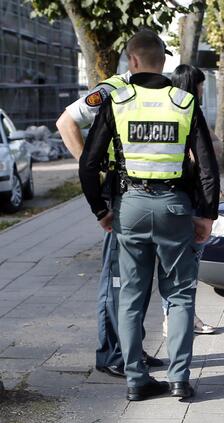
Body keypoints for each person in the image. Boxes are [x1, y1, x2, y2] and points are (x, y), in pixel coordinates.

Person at [78, 29, 220, 401]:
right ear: (163, 61)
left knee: (132, 296)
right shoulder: (184, 102)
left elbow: (89, 163)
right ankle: (179, 380)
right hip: (175, 207)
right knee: (180, 295)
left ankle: (136, 381)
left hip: (131, 206)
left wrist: (100, 209)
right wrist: (206, 215)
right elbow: (207, 166)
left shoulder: (118, 101)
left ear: (133, 60)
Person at [56, 47, 165, 379]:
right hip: (119, 200)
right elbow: (66, 122)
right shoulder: (112, 90)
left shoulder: (155, 92)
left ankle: (131, 348)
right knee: (118, 280)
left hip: (142, 201)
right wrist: (90, 168)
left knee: (139, 281)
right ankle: (111, 353)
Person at [164, 63, 219, 336]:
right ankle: (182, 319)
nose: (202, 90)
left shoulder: (167, 109)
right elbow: (204, 159)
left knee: (170, 266)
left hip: (166, 198)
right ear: (193, 86)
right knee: (186, 266)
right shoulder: (189, 111)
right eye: (200, 85)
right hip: (189, 199)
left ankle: (173, 317)